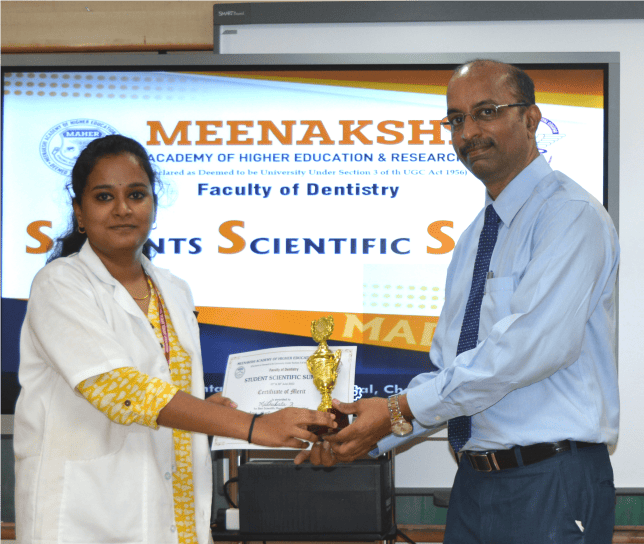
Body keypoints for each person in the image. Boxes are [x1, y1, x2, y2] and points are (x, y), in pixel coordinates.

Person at [296, 59, 620, 543]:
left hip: (550, 483)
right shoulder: (474, 238)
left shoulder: (570, 216)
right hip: (474, 484)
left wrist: (400, 408)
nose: (468, 132)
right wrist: (366, 433)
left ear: (531, 119)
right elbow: (452, 367)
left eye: (486, 112)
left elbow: (527, 349)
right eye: (455, 119)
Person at [13, 135, 335, 544]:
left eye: (136, 194)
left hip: (174, 511)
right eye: (103, 197)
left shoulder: (174, 289)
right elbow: (118, 389)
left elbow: (162, 391)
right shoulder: (59, 284)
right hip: (87, 518)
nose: (123, 209)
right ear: (79, 211)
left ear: (154, 204)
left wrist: (203, 411)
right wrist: (254, 426)